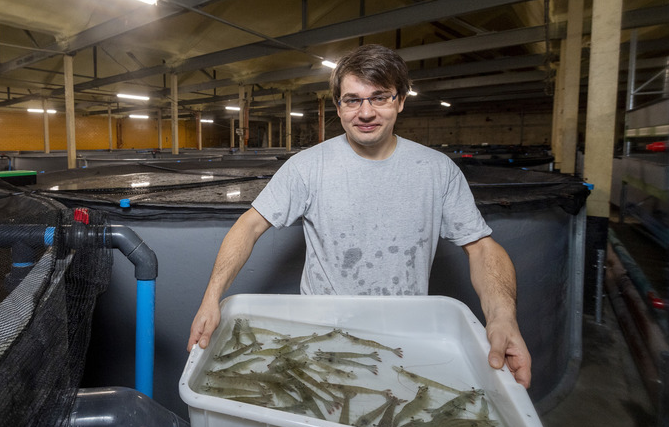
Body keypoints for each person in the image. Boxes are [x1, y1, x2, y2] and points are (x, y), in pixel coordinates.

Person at [186, 44, 532, 388]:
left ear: (400, 100)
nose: (365, 112)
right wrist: (211, 298)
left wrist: (503, 318)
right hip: (321, 338)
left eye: (379, 97)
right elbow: (250, 225)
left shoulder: (436, 170)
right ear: (338, 106)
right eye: (352, 100)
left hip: (405, 338)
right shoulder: (308, 166)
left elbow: (482, 247)